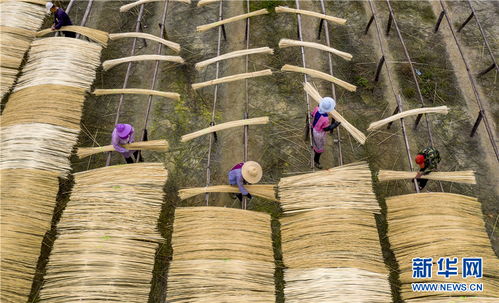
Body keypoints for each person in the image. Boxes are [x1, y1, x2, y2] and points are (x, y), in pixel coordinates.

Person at [311, 97, 341, 169]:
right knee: (319, 148)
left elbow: (312, 115)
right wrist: (334, 125)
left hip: (313, 127)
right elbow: (325, 128)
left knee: (316, 142)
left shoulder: (316, 108)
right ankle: (316, 161)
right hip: (318, 133)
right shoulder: (325, 118)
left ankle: (315, 147)